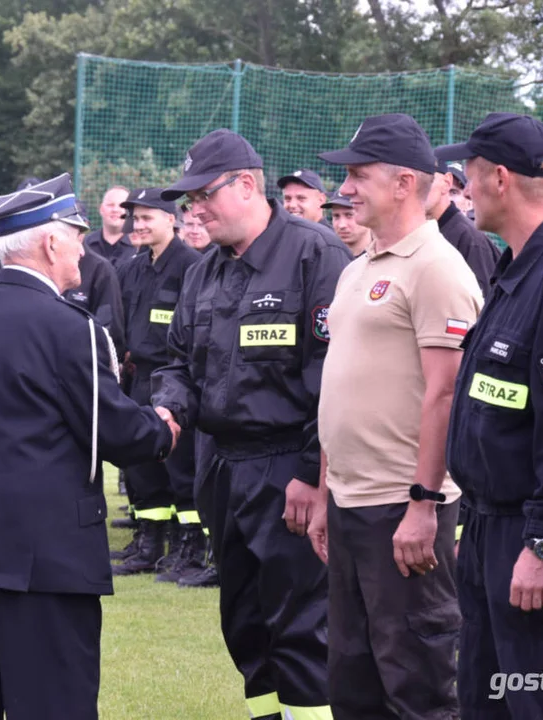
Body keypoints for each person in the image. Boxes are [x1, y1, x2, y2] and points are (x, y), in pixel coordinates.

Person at [0, 173, 178, 720]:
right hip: (43, 555)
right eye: (75, 235)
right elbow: (116, 429)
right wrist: (164, 428)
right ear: (51, 242)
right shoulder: (67, 328)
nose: (83, 247)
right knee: (55, 704)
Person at [153, 128, 351, 720]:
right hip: (220, 466)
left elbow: (336, 375)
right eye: (188, 202)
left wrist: (313, 472)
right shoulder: (201, 273)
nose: (196, 210)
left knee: (303, 627)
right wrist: (167, 408)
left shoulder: (316, 254)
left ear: (246, 184)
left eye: (203, 195)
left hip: (288, 465)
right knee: (244, 624)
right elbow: (176, 361)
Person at [437, 113, 543, 719]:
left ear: (500, 179)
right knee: (486, 700)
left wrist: (542, 542)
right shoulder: (518, 264)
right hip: (490, 526)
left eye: (468, 174)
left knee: (542, 702)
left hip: (532, 534)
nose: (462, 187)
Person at [312, 113, 482, 719]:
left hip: (401, 506)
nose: (346, 189)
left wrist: (423, 503)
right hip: (350, 502)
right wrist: (328, 486)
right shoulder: (357, 269)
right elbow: (340, 386)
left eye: (359, 175)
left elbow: (445, 395)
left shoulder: (437, 269)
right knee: (352, 681)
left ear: (405, 182)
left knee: (417, 681)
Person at [112, 188, 205, 582]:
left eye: (148, 217)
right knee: (141, 465)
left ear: (172, 219)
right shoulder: (132, 267)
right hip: (139, 376)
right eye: (136, 217)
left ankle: (193, 547)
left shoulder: (192, 266)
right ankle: (149, 541)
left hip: (175, 378)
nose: (140, 224)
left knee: (180, 465)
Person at [426, 160, 501, 291]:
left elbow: (482, 304)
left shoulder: (471, 240)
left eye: (454, 192)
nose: (449, 196)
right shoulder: (425, 231)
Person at [84, 185, 137, 268]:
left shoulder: (139, 247)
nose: (115, 210)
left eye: (122, 206)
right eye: (110, 205)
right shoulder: (85, 244)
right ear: (101, 209)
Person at [323, 189, 372, 256]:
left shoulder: (384, 258)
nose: (341, 225)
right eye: (336, 216)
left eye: (349, 215)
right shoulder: (326, 256)